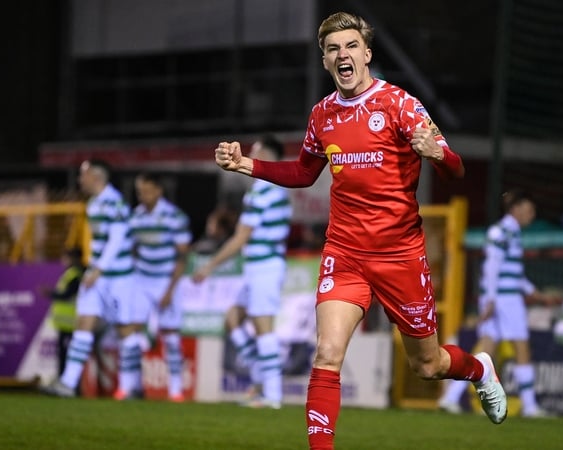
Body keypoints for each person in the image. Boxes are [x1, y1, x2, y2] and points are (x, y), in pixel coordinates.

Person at [212, 12, 507, 449]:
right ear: (325, 60)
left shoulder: (400, 105)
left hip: (400, 255)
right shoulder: (322, 115)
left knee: (427, 365)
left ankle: (479, 369)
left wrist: (437, 154)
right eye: (333, 49)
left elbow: (456, 170)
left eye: (351, 46)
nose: (342, 54)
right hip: (345, 253)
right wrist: (247, 165)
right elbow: (303, 173)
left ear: (366, 54)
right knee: (327, 353)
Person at [438, 190, 563, 417]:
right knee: (522, 347)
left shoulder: (510, 233)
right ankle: (530, 406)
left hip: (499, 298)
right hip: (505, 299)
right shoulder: (502, 232)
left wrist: (536, 294)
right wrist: (491, 300)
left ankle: (450, 398)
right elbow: (491, 267)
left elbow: (512, 273)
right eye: (528, 210)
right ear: (515, 209)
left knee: (485, 350)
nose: (532, 215)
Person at [194, 135, 292, 410]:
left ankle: (272, 395)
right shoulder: (276, 188)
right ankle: (260, 380)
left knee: (263, 328)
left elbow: (241, 237)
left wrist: (210, 265)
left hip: (265, 267)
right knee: (233, 319)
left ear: (268, 156)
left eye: (255, 152)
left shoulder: (262, 190)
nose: (249, 156)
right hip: (259, 266)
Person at [42, 159, 140, 398]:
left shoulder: (115, 202)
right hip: (98, 275)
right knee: (83, 324)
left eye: (82, 175)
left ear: (96, 176)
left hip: (118, 278)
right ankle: (68, 383)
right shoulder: (94, 203)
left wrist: (98, 270)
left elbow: (117, 240)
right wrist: (94, 270)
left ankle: (130, 387)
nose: (79, 180)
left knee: (125, 329)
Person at [128, 172, 192, 402]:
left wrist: (169, 290)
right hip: (142, 281)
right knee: (133, 332)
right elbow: (132, 249)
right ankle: (132, 387)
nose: (142, 196)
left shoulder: (175, 217)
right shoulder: (135, 217)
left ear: (158, 191)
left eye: (146, 191)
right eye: (139, 192)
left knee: (171, 335)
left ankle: (175, 390)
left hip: (167, 281)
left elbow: (182, 257)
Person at [39, 247, 85, 377]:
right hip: (66, 322)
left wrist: (51, 293)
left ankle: (67, 378)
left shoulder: (76, 275)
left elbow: (67, 294)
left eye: (66, 257)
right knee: (63, 352)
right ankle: (63, 378)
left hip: (71, 322)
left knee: (68, 353)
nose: (63, 260)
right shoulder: (71, 273)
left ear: (73, 258)